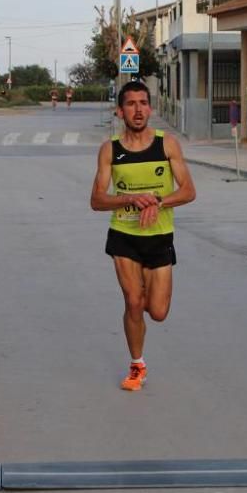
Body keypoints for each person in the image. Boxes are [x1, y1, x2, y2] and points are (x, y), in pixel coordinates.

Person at [90, 80, 196, 391]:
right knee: (133, 302)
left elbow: (189, 191)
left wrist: (159, 201)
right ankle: (137, 365)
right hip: (123, 234)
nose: (138, 110)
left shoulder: (167, 145)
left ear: (150, 108)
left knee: (158, 312)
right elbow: (97, 200)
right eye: (131, 104)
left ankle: (143, 305)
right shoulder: (111, 150)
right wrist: (128, 199)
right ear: (120, 111)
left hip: (159, 235)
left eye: (143, 103)